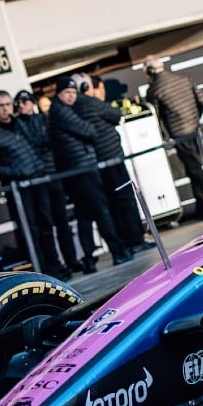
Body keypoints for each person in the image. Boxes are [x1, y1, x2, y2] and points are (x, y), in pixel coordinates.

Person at [0, 89, 76, 276]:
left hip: (38, 180)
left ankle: (55, 266)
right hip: (19, 189)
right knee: (31, 231)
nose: (5, 109)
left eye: (8, 104)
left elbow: (39, 144)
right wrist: (16, 174)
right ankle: (42, 272)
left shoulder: (21, 124)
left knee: (46, 226)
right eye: (0, 105)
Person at [48, 77, 131, 270]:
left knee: (84, 214)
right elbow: (89, 131)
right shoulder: (61, 111)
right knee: (101, 210)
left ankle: (89, 258)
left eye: (73, 92)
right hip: (80, 168)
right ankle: (118, 251)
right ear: (59, 94)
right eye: (67, 93)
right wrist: (91, 124)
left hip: (77, 168)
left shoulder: (62, 110)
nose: (71, 96)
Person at [68, 72, 147, 253]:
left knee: (112, 204)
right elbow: (115, 114)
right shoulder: (91, 102)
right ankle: (136, 240)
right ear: (86, 87)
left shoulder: (73, 108)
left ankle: (126, 241)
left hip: (97, 163)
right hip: (112, 158)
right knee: (126, 199)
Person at [146, 58, 203, 220]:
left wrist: (165, 137)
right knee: (193, 168)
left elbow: (155, 117)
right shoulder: (184, 79)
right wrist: (195, 121)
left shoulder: (154, 89)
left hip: (179, 135)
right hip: (195, 129)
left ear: (150, 71)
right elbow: (201, 101)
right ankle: (202, 208)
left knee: (195, 169)